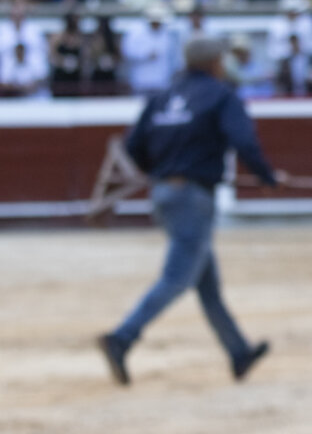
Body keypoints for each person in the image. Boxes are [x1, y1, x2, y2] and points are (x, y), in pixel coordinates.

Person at [98, 37, 277, 386]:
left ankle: (238, 352)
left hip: (164, 193)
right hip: (193, 197)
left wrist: (165, 171)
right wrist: (268, 177)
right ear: (214, 64)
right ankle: (122, 337)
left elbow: (134, 145)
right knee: (177, 277)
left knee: (205, 283)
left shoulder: (163, 95)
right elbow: (244, 141)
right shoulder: (221, 95)